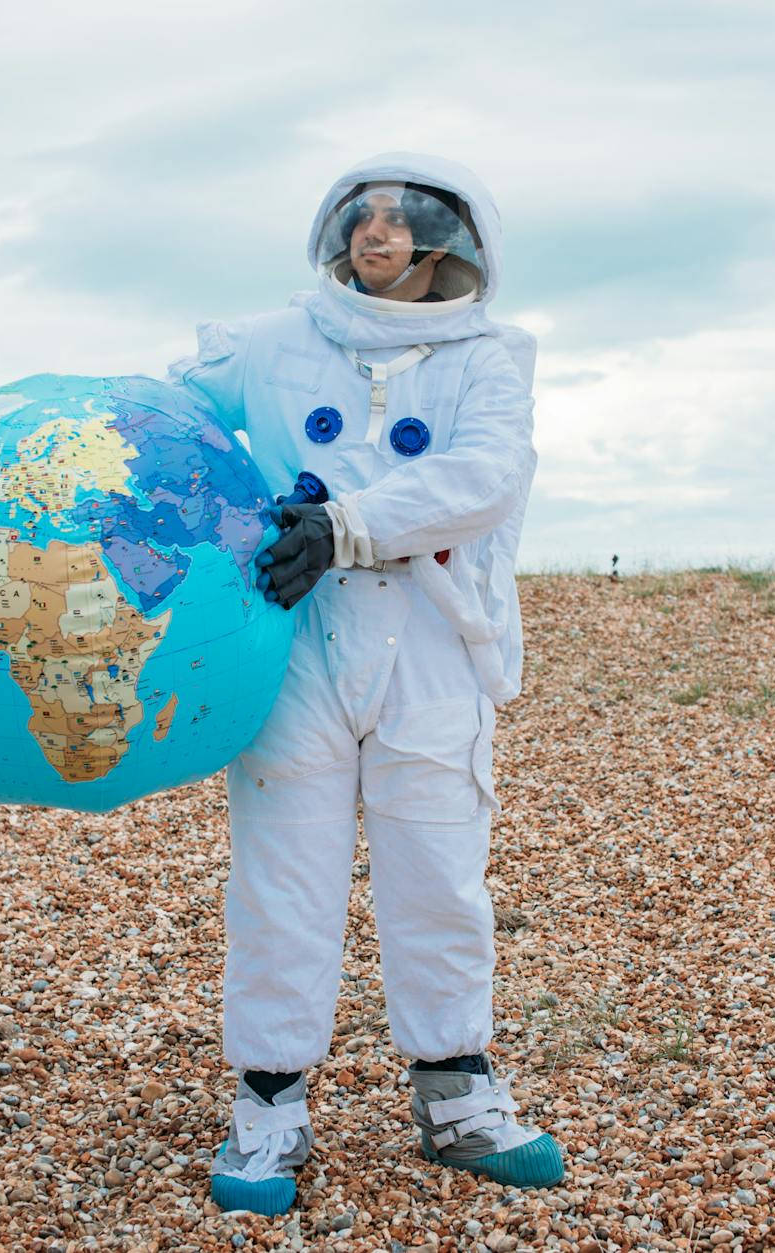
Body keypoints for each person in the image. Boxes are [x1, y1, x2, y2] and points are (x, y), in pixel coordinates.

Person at [169, 153, 560, 1216]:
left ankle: (456, 1089)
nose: (375, 234)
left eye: (402, 218)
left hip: (433, 645)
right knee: (282, 879)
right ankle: (267, 1101)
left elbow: (483, 475)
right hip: (294, 643)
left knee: (437, 868)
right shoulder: (270, 343)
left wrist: (345, 523)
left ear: (450, 240)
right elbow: (164, 417)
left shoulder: (489, 356)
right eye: (362, 215)